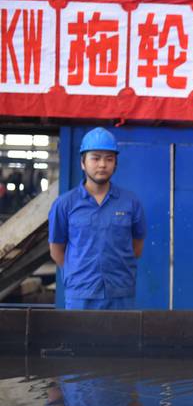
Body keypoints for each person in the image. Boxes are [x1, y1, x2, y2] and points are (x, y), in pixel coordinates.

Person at [48, 128, 147, 310]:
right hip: (80, 295)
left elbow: (137, 247)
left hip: (121, 293)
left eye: (109, 159)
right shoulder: (64, 204)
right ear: (83, 163)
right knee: (80, 339)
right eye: (95, 158)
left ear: (115, 164)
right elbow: (56, 250)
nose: (102, 164)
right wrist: (79, 274)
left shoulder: (131, 203)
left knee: (120, 339)